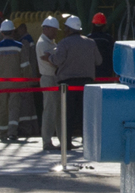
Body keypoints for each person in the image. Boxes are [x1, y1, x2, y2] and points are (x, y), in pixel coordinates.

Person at [51, 15, 103, 151]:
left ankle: (66, 143)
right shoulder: (91, 42)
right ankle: (88, 143)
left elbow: (57, 60)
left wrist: (49, 57)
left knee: (67, 114)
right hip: (86, 83)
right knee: (85, 114)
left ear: (68, 28)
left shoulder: (64, 43)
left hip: (67, 84)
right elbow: (99, 61)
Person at [0, 19, 30, 141]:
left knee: (2, 108)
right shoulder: (19, 46)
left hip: (1, 84)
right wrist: (27, 82)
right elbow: (25, 66)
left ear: (2, 33)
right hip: (16, 83)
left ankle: (2, 133)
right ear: (13, 32)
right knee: (14, 107)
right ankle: (12, 132)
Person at [36, 18, 61, 152]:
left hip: (54, 79)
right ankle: (47, 142)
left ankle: (64, 141)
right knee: (50, 111)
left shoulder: (50, 42)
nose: (56, 33)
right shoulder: (43, 44)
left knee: (58, 111)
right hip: (49, 78)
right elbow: (53, 61)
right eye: (54, 30)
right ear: (47, 29)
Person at [90, 13, 116, 79]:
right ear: (104, 25)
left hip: (90, 73)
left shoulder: (88, 39)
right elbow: (112, 55)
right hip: (107, 73)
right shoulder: (108, 39)